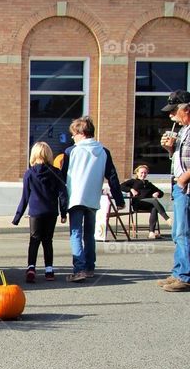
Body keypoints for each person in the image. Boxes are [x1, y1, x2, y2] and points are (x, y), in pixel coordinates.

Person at [60, 116, 125, 282]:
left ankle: (79, 269)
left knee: (75, 233)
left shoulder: (71, 151)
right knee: (89, 234)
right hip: (93, 198)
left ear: (81, 133)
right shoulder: (104, 151)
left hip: (75, 197)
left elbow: (62, 179)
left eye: (73, 134)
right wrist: (119, 199)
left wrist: (62, 205)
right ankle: (89, 267)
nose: (72, 137)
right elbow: (112, 176)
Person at [12, 142, 68, 283]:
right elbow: (63, 194)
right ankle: (49, 270)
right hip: (51, 211)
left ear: (33, 155)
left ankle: (31, 268)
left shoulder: (29, 174)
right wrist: (63, 213)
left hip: (35, 212)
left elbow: (25, 197)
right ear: (49, 155)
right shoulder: (56, 172)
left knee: (34, 240)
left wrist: (17, 217)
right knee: (48, 241)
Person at [159, 94, 190, 292]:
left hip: (186, 187)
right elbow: (180, 160)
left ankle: (184, 276)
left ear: (186, 109)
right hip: (180, 189)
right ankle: (179, 271)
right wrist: (170, 149)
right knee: (178, 232)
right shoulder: (184, 130)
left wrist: (183, 179)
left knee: (183, 232)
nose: (171, 116)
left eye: (173, 110)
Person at [121, 164, 169, 239]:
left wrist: (157, 193)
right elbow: (121, 186)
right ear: (137, 173)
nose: (143, 174)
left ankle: (151, 233)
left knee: (154, 208)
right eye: (141, 172)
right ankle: (167, 218)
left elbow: (161, 192)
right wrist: (131, 189)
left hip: (148, 204)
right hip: (138, 203)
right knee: (154, 201)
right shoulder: (133, 181)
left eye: (145, 173)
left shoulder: (148, 184)